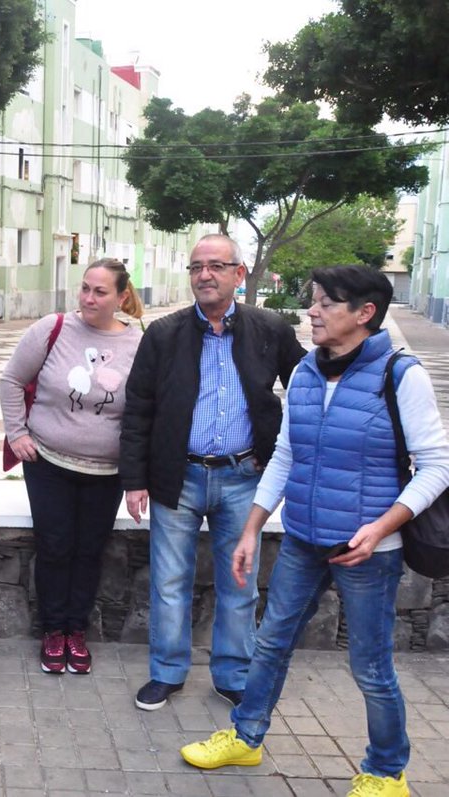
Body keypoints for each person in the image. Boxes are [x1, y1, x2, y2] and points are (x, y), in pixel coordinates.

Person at [180, 266, 449, 797]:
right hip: (303, 538)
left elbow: (437, 465)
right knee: (271, 643)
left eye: (327, 303)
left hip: (369, 550)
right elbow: (286, 454)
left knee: (370, 666)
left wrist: (381, 528)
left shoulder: (401, 374)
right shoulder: (304, 371)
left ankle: (386, 772)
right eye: (314, 300)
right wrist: (253, 528)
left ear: (365, 313)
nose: (313, 311)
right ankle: (246, 737)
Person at [119, 234, 305, 711]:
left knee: (240, 583)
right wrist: (135, 479)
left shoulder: (270, 329)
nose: (205, 274)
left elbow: (305, 390)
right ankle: (167, 672)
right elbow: (138, 409)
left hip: (244, 477)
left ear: (238, 274)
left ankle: (233, 674)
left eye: (216, 266)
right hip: (176, 479)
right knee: (169, 582)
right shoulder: (163, 333)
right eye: (196, 266)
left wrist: (287, 453)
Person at [0, 259, 144, 675]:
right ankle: (53, 631)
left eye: (100, 292)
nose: (88, 298)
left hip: (107, 472)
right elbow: (11, 380)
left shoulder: (139, 342)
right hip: (48, 462)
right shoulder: (53, 328)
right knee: (55, 547)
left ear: (121, 297)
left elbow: (144, 409)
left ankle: (76, 631)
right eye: (85, 288)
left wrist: (139, 472)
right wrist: (17, 434)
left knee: (88, 552)